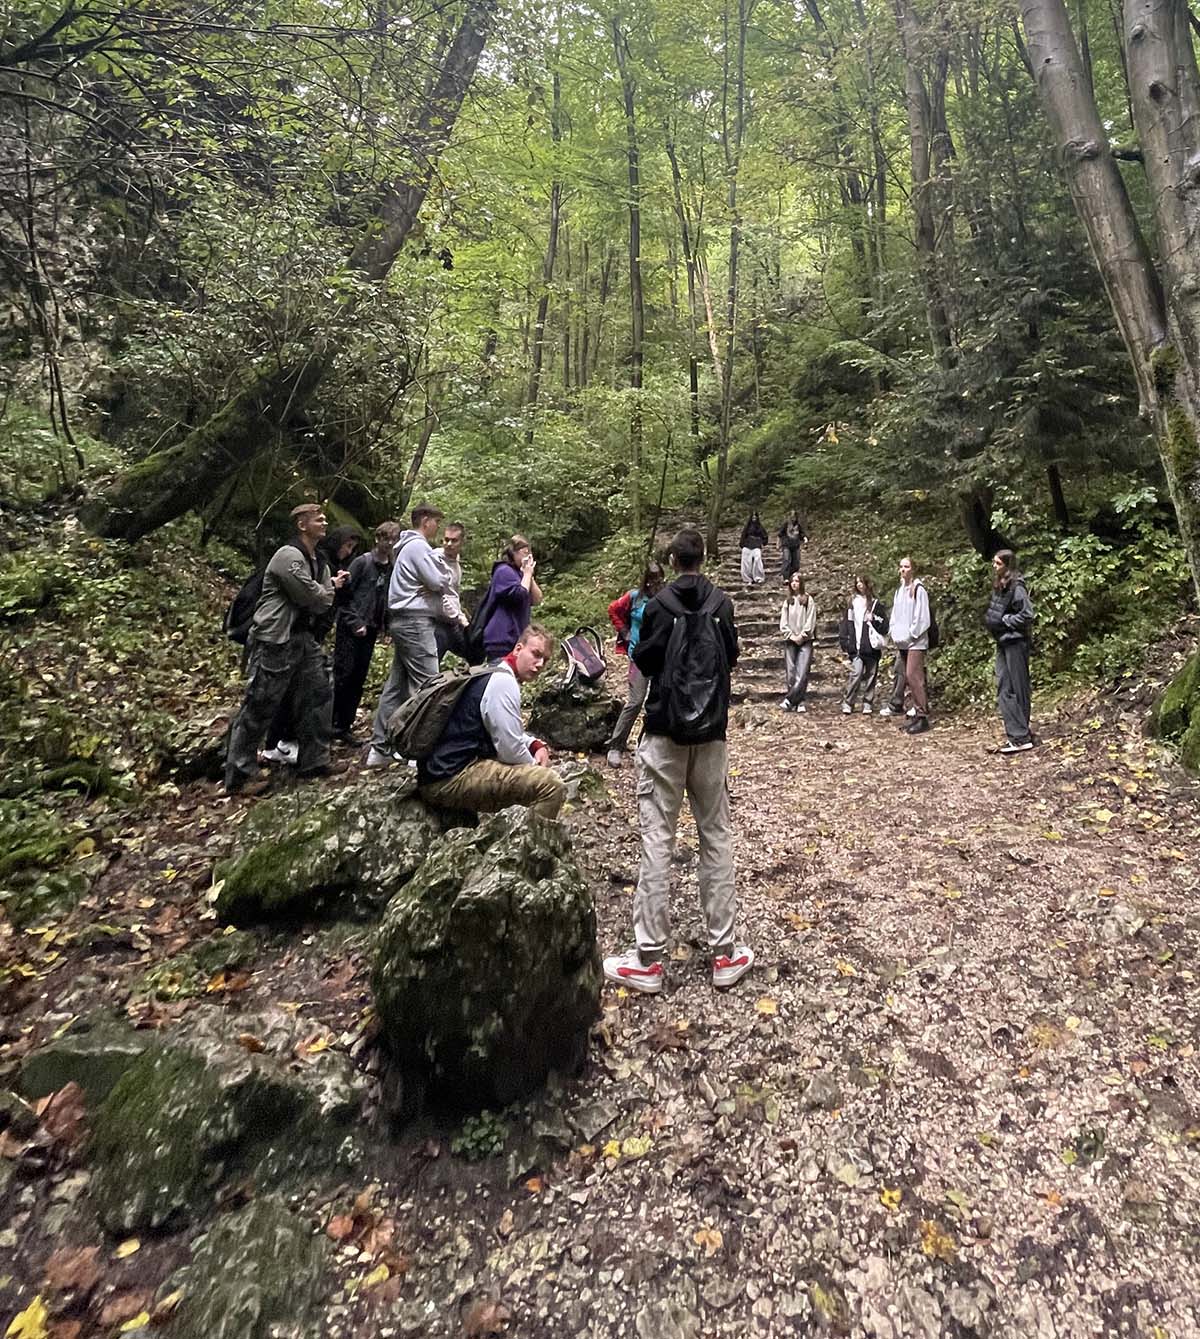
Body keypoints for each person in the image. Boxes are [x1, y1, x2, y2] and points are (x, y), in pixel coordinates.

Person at [602, 528, 753, 995]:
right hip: (711, 737)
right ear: (703, 559)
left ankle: (648, 959)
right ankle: (725, 953)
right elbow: (730, 657)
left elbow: (643, 661)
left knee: (657, 842)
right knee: (716, 837)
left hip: (664, 737)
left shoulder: (659, 606)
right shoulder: (722, 605)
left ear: (671, 560)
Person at [224, 503, 348, 795]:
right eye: (318, 519)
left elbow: (320, 597)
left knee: (318, 694)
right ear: (302, 525)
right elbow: (312, 598)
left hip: (303, 639)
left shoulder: (319, 560)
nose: (325, 523)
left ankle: (314, 760)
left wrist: (323, 590)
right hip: (274, 640)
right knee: (260, 703)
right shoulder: (288, 556)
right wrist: (327, 589)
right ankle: (239, 774)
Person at [417, 624, 567, 819]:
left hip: (438, 771)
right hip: (449, 779)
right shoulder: (503, 682)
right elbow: (510, 748)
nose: (539, 664)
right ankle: (530, 846)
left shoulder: (492, 669)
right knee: (550, 785)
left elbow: (508, 730)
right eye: (536, 654)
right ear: (518, 649)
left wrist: (535, 744)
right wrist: (535, 766)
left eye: (544, 660)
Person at [366, 503, 455, 768]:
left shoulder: (405, 547)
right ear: (425, 521)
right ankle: (418, 751)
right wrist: (440, 578)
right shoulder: (417, 547)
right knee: (429, 685)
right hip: (415, 623)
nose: (437, 527)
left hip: (403, 622)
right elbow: (439, 581)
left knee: (396, 687)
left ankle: (379, 748)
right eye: (436, 522)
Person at [331, 520, 400, 745]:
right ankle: (330, 724)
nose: (388, 543)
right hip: (351, 627)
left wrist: (385, 625)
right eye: (385, 538)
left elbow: (386, 598)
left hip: (371, 628)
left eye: (393, 539)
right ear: (377, 539)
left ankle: (344, 726)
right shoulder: (362, 562)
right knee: (343, 674)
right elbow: (344, 596)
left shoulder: (391, 567)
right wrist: (354, 622)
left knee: (358, 678)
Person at [603, 560, 666, 767]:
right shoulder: (634, 597)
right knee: (636, 700)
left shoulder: (667, 598)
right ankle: (616, 745)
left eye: (659, 579)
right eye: (652, 580)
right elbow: (613, 610)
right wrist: (624, 631)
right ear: (646, 581)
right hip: (638, 655)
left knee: (657, 701)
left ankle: (645, 744)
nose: (655, 584)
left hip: (661, 656)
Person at [985, 549, 1035, 754]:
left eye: (998, 563)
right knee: (1004, 686)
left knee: (1018, 687)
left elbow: (1027, 615)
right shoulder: (1001, 585)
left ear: (1007, 565)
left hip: (1016, 642)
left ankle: (1021, 735)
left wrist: (1006, 621)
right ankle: (1018, 733)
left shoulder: (1017, 586)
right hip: (1003, 642)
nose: (994, 566)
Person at [879, 555, 931, 734]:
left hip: (915, 642)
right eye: (901, 566)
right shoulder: (900, 590)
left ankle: (922, 715)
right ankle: (915, 712)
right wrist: (894, 631)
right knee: (904, 675)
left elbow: (922, 618)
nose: (903, 570)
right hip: (902, 641)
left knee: (914, 675)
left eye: (907, 566)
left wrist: (912, 634)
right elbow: (895, 614)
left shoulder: (918, 590)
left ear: (913, 569)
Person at [482, 534, 543, 661]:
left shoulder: (521, 574)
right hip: (501, 639)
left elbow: (537, 599)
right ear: (512, 553)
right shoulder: (503, 571)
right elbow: (519, 595)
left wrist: (529, 574)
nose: (528, 556)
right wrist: (526, 573)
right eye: (524, 552)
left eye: (529, 553)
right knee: (501, 677)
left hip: (516, 639)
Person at [838, 575, 888, 715]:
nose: (859, 585)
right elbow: (846, 623)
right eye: (857, 582)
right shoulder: (852, 603)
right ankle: (849, 702)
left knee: (871, 674)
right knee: (857, 673)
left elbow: (885, 625)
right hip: (857, 647)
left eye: (862, 582)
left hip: (871, 646)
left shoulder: (875, 604)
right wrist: (845, 641)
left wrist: (874, 619)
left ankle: (868, 702)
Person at [779, 573, 817, 712]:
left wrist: (803, 635)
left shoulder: (807, 599)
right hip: (790, 640)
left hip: (805, 641)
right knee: (791, 672)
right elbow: (783, 621)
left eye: (797, 581)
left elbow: (811, 619)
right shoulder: (787, 601)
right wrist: (791, 635)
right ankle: (794, 701)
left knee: (802, 672)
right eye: (792, 581)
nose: (794, 583)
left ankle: (794, 700)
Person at [433, 522, 471, 664]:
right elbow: (439, 595)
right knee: (431, 667)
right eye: (446, 539)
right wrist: (459, 618)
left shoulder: (456, 564)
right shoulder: (435, 559)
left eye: (453, 540)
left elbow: (453, 594)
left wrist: (462, 618)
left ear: (462, 542)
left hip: (452, 622)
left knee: (473, 653)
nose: (448, 544)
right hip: (437, 622)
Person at [739, 511, 768, 585]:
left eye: (755, 516)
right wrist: (742, 544)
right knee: (746, 562)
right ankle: (747, 578)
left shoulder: (760, 527)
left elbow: (764, 535)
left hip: (756, 545)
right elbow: (743, 535)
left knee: (757, 559)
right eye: (753, 516)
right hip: (747, 544)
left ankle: (758, 577)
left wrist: (763, 542)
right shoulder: (747, 526)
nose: (754, 518)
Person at [778, 510, 807, 580]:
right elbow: (780, 534)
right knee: (787, 560)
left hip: (796, 545)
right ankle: (786, 577)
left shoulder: (798, 525)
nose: (793, 518)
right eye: (791, 516)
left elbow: (801, 533)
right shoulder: (786, 524)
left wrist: (804, 538)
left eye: (794, 516)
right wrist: (779, 543)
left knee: (796, 562)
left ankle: (793, 576)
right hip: (786, 545)